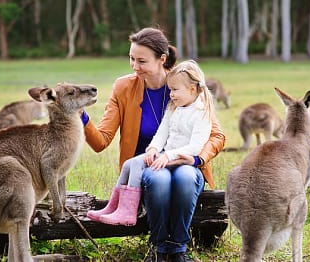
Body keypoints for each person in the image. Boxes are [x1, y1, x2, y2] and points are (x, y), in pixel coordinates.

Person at [82, 27, 225, 262]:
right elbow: (101, 141)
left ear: (162, 59)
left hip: (185, 163)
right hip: (147, 168)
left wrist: (197, 159)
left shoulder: (185, 84)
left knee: (186, 178)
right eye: (131, 59)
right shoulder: (123, 88)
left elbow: (217, 136)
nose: (134, 67)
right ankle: (159, 248)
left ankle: (178, 249)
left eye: (141, 61)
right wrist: (81, 117)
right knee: (158, 179)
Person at [87, 60, 215, 227]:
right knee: (128, 164)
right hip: (165, 155)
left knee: (138, 166)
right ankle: (113, 207)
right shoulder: (174, 107)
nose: (171, 94)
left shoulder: (201, 110)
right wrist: (153, 148)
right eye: (171, 90)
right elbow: (161, 132)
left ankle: (127, 212)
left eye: (175, 90)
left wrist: (173, 156)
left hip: (179, 158)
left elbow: (200, 144)